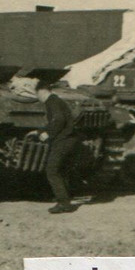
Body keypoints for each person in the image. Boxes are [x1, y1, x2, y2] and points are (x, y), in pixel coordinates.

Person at [36, 80, 81, 214]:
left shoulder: (51, 101)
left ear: (42, 92)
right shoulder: (58, 100)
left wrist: (48, 133)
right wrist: (40, 130)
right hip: (71, 139)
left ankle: (64, 204)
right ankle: (65, 197)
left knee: (52, 170)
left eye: (37, 94)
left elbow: (59, 119)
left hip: (63, 140)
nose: (38, 98)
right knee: (62, 170)